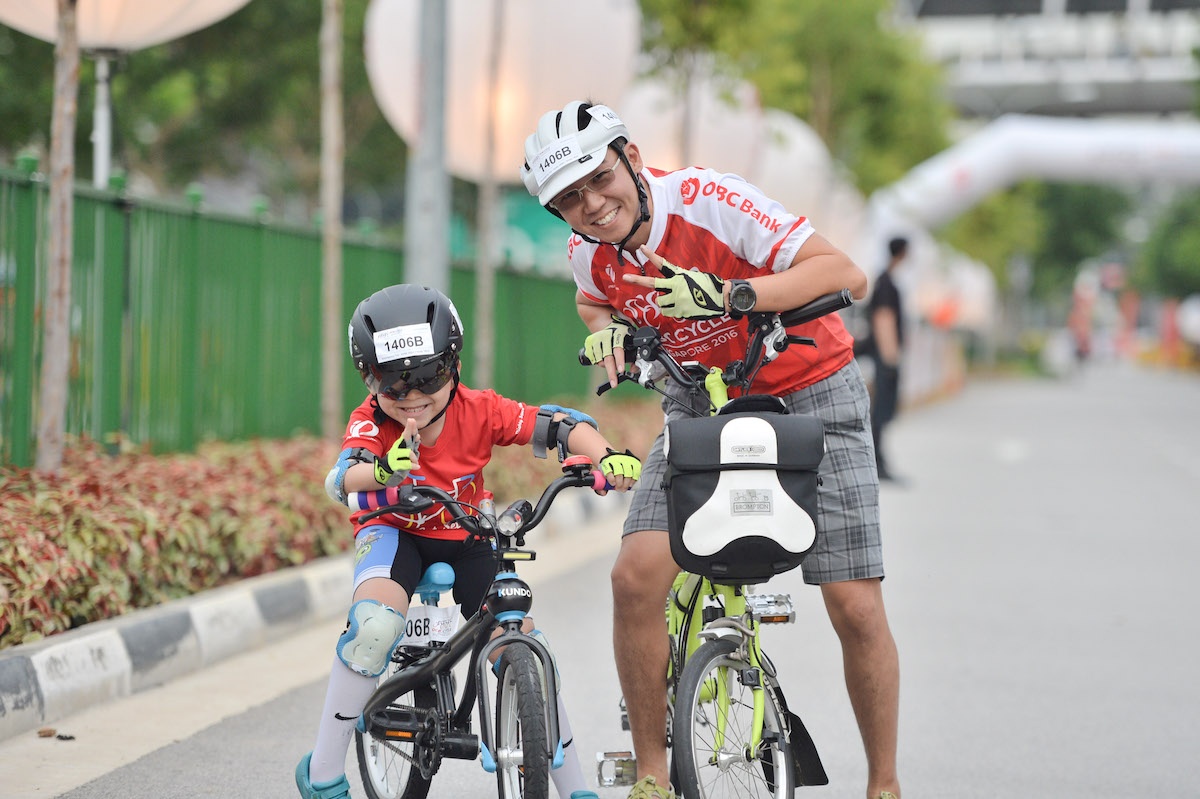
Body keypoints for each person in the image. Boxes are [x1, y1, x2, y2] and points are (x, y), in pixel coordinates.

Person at [520, 101, 901, 799]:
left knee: (852, 602)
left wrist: (731, 295)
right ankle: (653, 775)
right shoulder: (588, 251)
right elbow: (591, 297)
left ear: (632, 159)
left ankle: (884, 783)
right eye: (569, 200)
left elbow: (847, 275)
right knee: (634, 577)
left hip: (812, 388)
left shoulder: (708, 200)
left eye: (599, 179)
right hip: (699, 400)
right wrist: (608, 328)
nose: (591, 205)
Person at [295, 283, 643, 799]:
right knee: (373, 629)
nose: (412, 397)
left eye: (427, 377)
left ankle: (573, 789)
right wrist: (384, 471)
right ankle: (323, 772)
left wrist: (607, 454)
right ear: (370, 381)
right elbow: (346, 476)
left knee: (522, 637)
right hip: (394, 531)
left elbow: (557, 426)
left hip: (469, 533)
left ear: (453, 363)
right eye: (393, 384)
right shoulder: (371, 422)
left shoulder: (480, 409)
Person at [866, 236, 909, 482]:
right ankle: (877, 461)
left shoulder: (885, 281)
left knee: (882, 411)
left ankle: (880, 459)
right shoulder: (886, 284)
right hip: (883, 356)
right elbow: (884, 320)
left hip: (882, 355)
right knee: (880, 410)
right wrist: (891, 358)